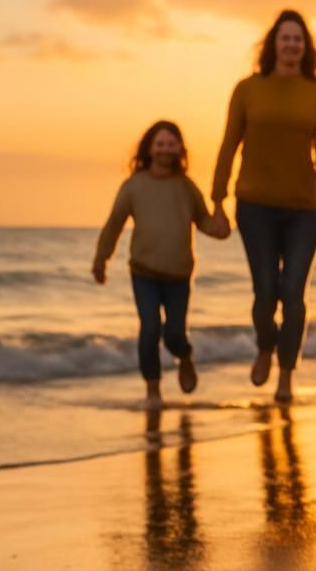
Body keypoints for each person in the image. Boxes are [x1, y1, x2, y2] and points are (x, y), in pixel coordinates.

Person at [210, 9, 316, 404]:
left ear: (305, 47)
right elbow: (229, 145)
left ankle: (285, 377)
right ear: (273, 44)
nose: (291, 44)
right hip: (255, 207)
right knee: (266, 292)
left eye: (298, 38)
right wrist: (216, 202)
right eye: (285, 38)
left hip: (304, 210)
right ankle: (265, 345)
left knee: (293, 292)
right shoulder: (247, 89)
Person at [93, 121, 229, 410]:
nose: (165, 148)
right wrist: (101, 259)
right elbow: (114, 224)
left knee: (175, 333)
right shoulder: (134, 185)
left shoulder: (186, 185)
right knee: (150, 328)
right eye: (160, 143)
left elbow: (203, 220)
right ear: (149, 148)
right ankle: (153, 390)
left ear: (180, 149)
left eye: (171, 143)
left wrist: (218, 228)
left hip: (179, 274)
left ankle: (185, 357)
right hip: (144, 271)